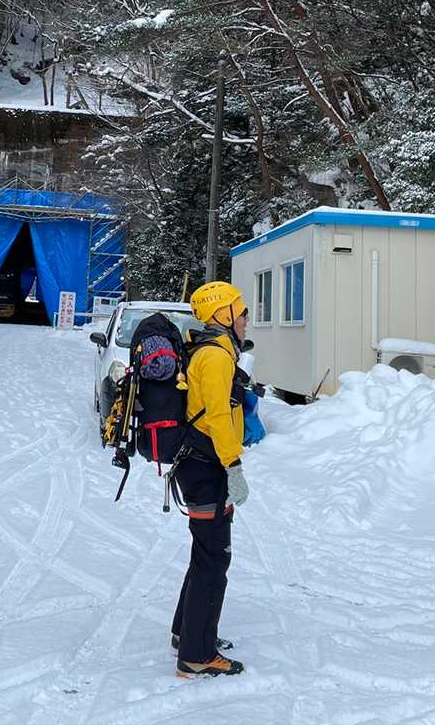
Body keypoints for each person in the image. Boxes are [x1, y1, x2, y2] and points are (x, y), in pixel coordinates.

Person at [169, 280, 249, 679]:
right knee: (214, 558)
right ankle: (197, 655)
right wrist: (233, 466)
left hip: (199, 462)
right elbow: (217, 416)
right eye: (241, 310)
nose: (247, 318)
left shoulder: (211, 351)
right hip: (207, 466)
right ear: (222, 314)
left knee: (205, 553)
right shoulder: (215, 357)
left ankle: (186, 634)